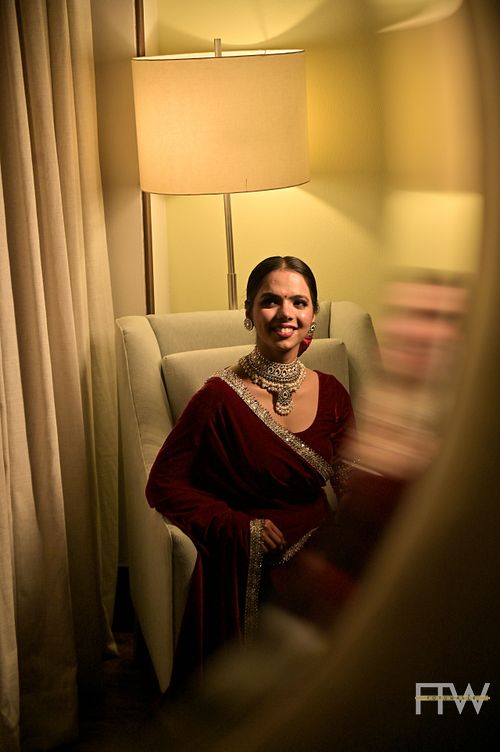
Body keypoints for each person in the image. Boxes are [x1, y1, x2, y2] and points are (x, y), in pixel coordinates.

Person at [145, 256, 354, 690]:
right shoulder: (218, 398)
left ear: (313, 314)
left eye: (299, 302)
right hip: (253, 564)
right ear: (249, 312)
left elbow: (351, 482)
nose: (285, 314)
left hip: (320, 557)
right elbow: (163, 484)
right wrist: (238, 527)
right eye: (270, 301)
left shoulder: (333, 393)